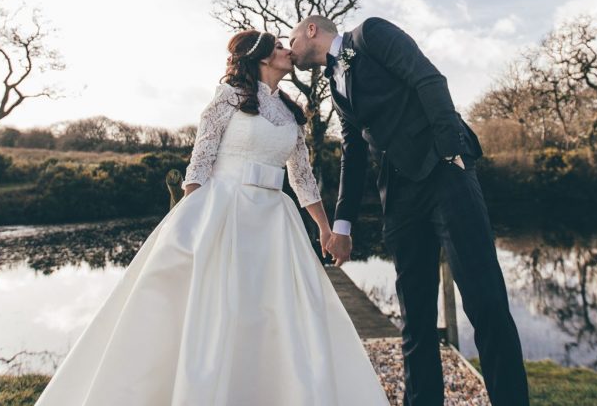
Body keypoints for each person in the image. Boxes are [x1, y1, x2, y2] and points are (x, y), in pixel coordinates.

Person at [34, 29, 388, 406]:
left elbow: (301, 177)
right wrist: (191, 215)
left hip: (275, 223)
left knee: (276, 314)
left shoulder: (290, 112)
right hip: (225, 209)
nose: (289, 52)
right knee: (217, 309)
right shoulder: (226, 99)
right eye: (281, 47)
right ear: (264, 57)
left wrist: (323, 228)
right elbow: (200, 161)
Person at [290, 15, 530, 406]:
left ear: (312, 30)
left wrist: (451, 151)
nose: (290, 46)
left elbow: (428, 80)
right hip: (400, 197)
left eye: (292, 37)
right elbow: (353, 153)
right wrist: (343, 225)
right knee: (414, 316)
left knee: (485, 303)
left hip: (444, 175)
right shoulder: (335, 85)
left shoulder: (370, 34)